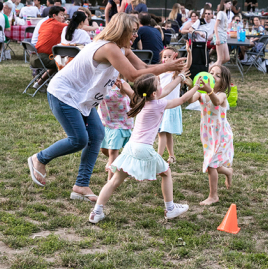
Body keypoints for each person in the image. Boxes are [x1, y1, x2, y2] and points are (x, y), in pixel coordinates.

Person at [28, 13, 187, 200]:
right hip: (64, 94)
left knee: (96, 135)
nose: (136, 35)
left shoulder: (123, 49)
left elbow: (143, 68)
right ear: (122, 31)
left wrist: (173, 72)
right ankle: (39, 158)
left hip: (83, 98)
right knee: (79, 139)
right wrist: (168, 68)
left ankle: (81, 186)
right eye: (133, 32)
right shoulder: (108, 48)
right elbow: (134, 76)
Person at [88, 71, 201, 224]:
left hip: (130, 147)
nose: (162, 86)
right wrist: (196, 87)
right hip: (143, 148)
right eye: (159, 83)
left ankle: (96, 212)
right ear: (154, 93)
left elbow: (166, 90)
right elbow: (182, 99)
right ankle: (170, 208)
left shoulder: (141, 100)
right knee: (166, 173)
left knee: (114, 181)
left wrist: (180, 78)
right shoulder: (159, 104)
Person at [187, 64, 234, 205]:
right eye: (211, 72)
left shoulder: (221, 94)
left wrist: (209, 91)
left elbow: (217, 102)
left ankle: (213, 196)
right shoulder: (202, 94)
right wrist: (192, 86)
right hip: (208, 135)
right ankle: (228, 171)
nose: (212, 76)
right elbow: (190, 99)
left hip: (221, 135)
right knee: (213, 164)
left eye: (217, 75)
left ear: (223, 82)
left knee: (211, 165)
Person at [158, 45, 192, 165]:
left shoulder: (176, 73)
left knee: (163, 133)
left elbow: (187, 65)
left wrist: (189, 53)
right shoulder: (160, 72)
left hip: (170, 107)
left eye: (169, 57)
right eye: (164, 57)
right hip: (161, 106)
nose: (166, 59)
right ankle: (171, 155)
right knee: (165, 133)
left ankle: (158, 158)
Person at [99, 78, 134, 181]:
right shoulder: (99, 82)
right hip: (105, 122)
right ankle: (117, 164)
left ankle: (110, 181)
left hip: (120, 123)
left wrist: (125, 90)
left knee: (113, 152)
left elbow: (134, 96)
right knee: (104, 150)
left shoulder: (122, 83)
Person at [29, 6, 67, 81]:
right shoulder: (57, 24)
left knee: (59, 60)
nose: (63, 17)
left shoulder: (44, 23)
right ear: (54, 15)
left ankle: (40, 82)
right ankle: (58, 83)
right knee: (67, 62)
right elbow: (75, 27)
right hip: (43, 58)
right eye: (61, 15)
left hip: (35, 57)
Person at [213, 0, 231, 67]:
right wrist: (217, 38)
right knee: (220, 59)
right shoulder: (220, 13)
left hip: (223, 36)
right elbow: (216, 26)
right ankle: (210, 70)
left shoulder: (224, 13)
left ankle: (212, 66)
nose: (230, 5)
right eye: (229, 3)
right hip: (219, 35)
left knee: (227, 58)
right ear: (224, 3)